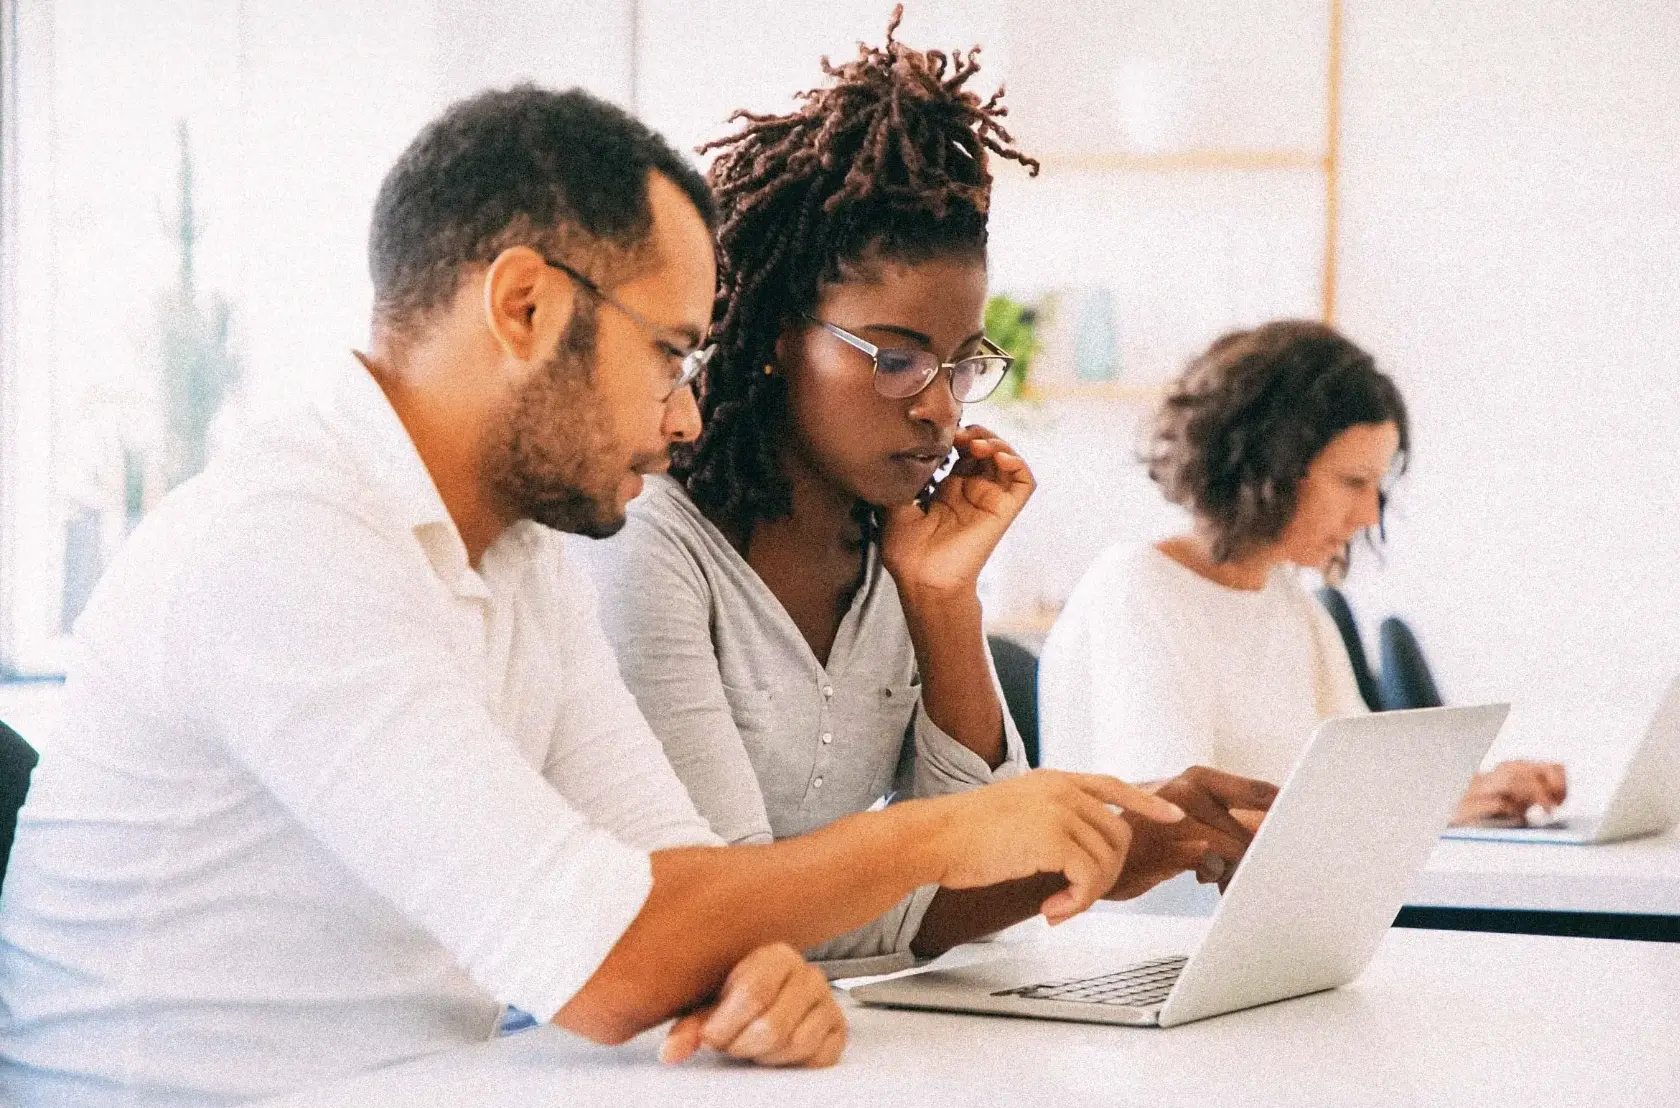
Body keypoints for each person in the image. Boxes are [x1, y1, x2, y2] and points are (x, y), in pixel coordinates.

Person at [0, 86, 1188, 1107]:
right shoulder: (289, 543)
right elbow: (614, 958)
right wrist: (945, 829)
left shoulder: (518, 557)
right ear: (525, 308)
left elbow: (680, 885)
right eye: (672, 354)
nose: (685, 416)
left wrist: (749, 968)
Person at [581, 10, 1276, 974]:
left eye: (961, 365)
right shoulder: (650, 543)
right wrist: (1080, 858)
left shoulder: (894, 551)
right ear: (780, 336)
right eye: (898, 359)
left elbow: (979, 862)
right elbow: (727, 915)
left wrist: (944, 600)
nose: (940, 411)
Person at [1039, 319, 1566, 827]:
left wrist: (1481, 789)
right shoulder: (1137, 588)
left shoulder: (1287, 600)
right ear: (1269, 467)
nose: (1369, 516)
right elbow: (1177, 825)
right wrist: (1426, 809)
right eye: (1353, 482)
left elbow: (1368, 786)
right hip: (1166, 920)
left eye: (1376, 487)